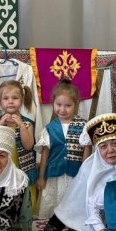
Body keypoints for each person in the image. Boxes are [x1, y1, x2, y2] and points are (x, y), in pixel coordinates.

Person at [35, 78, 90, 221]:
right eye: (58, 104)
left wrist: (84, 176)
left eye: (68, 105)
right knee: (53, 206)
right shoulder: (49, 128)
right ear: (53, 103)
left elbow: (86, 152)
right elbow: (45, 155)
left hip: (74, 176)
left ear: (76, 105)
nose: (62, 109)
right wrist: (41, 177)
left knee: (72, 205)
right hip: (54, 176)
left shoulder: (83, 126)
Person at [0, 80, 38, 186]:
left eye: (15, 98)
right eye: (6, 98)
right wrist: (0, 125)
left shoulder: (27, 124)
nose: (10, 101)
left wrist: (21, 126)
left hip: (23, 168)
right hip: (2, 168)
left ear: (22, 99)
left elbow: (28, 146)